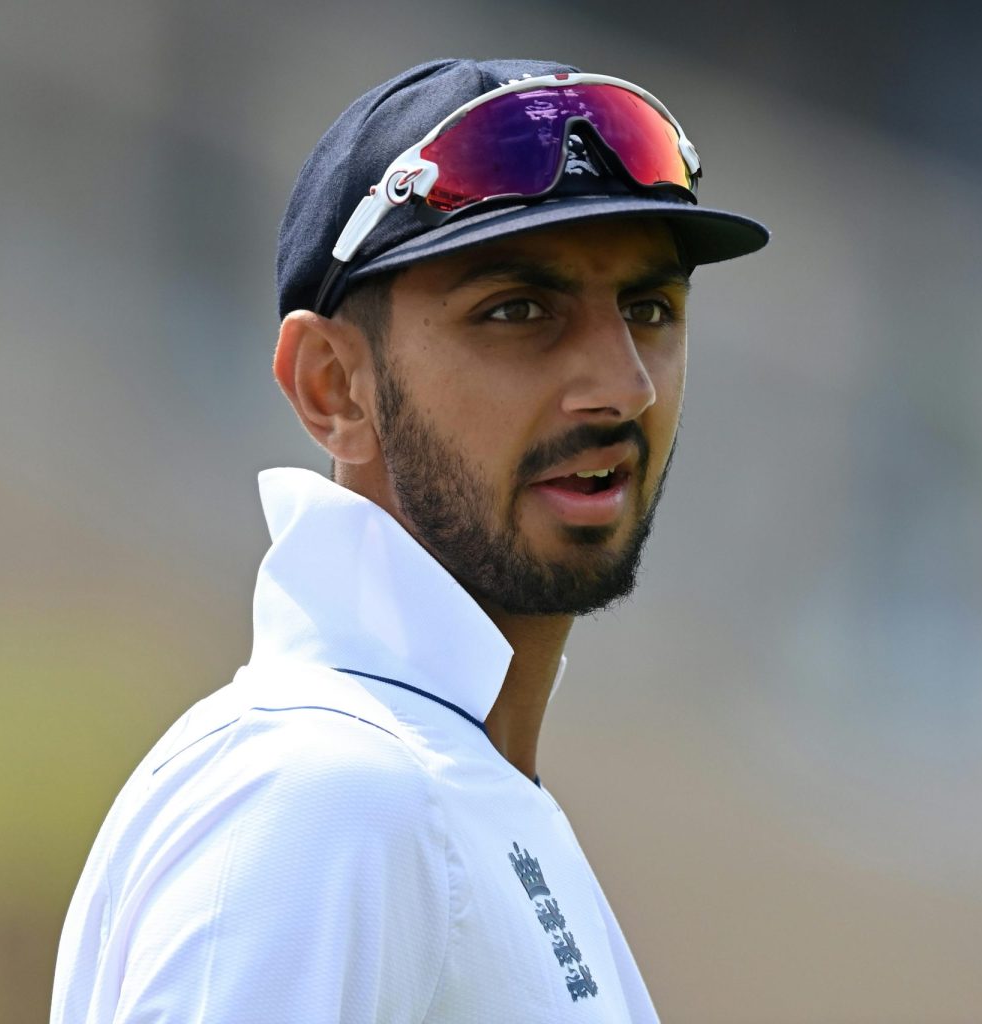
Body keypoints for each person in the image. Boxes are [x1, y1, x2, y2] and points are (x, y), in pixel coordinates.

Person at [49, 57, 767, 1023]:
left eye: (649, 310)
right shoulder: (323, 790)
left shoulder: (438, 783)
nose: (624, 386)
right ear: (333, 388)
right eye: (519, 311)